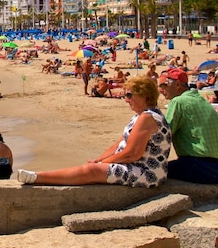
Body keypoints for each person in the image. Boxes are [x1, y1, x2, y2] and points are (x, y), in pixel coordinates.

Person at [16, 75, 171, 187]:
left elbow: (133, 153)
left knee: (91, 171)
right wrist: (99, 159)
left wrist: (102, 164)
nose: (126, 99)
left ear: (144, 95)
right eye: (125, 95)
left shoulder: (148, 117)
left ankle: (38, 178)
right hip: (137, 166)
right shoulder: (140, 116)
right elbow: (121, 142)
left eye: (129, 95)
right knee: (93, 166)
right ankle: (39, 176)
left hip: (147, 172)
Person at [157, 68, 218, 183]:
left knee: (152, 172)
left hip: (203, 168)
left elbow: (164, 135)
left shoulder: (178, 101)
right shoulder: (199, 99)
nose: (160, 90)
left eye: (163, 85)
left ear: (177, 84)